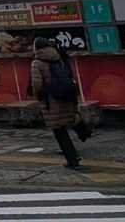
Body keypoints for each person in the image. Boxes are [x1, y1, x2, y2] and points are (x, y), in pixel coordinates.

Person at [30, 37, 91, 168]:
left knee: (59, 130)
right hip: (65, 96)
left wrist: (39, 96)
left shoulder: (37, 63)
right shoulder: (58, 58)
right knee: (69, 119)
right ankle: (84, 132)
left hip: (51, 100)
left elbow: (36, 84)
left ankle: (72, 159)